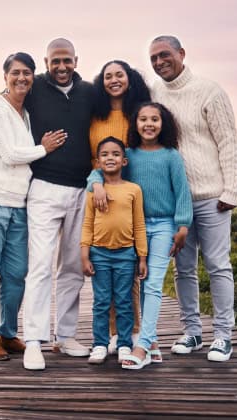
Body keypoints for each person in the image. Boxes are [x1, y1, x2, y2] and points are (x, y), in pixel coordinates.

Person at [0, 38, 94, 370]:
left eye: (67, 60)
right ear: (47, 63)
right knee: (36, 267)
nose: (62, 67)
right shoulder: (34, 87)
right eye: (56, 61)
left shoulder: (88, 92)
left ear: (76, 60)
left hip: (75, 191)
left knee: (63, 269)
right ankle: (31, 339)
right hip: (34, 191)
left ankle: (61, 337)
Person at [0, 52, 66, 361]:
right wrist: (43, 149)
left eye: (27, 73)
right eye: (15, 73)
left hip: (17, 203)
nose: (22, 78)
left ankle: (7, 333)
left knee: (16, 272)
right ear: (5, 76)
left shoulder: (27, 111)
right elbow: (8, 153)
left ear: (35, 76)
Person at [149, 35, 237, 362]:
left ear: (181, 54)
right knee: (183, 269)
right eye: (154, 58)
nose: (159, 63)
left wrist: (231, 190)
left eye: (165, 55)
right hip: (176, 200)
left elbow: (228, 142)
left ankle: (223, 335)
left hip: (213, 197)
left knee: (218, 265)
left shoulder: (210, 91)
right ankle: (192, 333)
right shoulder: (154, 92)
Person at [89, 102, 193, 369]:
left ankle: (143, 344)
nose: (149, 124)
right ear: (135, 124)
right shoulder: (129, 155)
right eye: (143, 119)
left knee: (153, 284)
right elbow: (99, 170)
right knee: (139, 283)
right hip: (134, 226)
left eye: (155, 119)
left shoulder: (171, 155)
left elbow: (181, 191)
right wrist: (97, 184)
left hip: (163, 226)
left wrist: (183, 225)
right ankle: (153, 341)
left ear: (163, 123)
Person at [90, 60, 150, 354]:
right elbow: (94, 158)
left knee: (130, 270)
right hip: (102, 191)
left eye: (119, 75)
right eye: (108, 76)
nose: (113, 80)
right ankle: (112, 336)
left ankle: (133, 332)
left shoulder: (139, 111)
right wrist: (96, 182)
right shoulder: (95, 112)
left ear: (130, 78)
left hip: (133, 192)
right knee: (105, 281)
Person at [81, 137, 148, 365]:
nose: (110, 158)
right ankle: (100, 344)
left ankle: (124, 344)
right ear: (98, 162)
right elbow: (87, 224)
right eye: (105, 154)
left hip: (126, 255)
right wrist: (84, 254)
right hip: (99, 254)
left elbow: (139, 224)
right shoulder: (93, 191)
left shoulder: (133, 190)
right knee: (101, 301)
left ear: (125, 161)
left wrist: (142, 257)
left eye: (116, 154)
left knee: (123, 301)